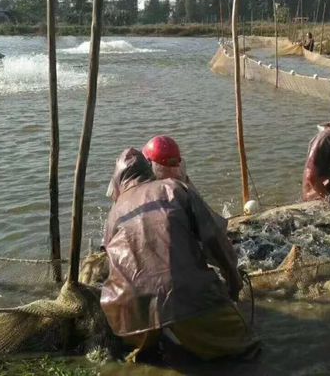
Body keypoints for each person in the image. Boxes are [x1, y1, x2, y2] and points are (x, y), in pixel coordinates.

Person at [101, 148, 259, 361]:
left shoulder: (114, 213)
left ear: (119, 180)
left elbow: (110, 261)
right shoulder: (174, 188)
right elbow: (214, 239)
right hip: (186, 300)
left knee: (152, 358)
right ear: (147, 171)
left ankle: (147, 349)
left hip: (128, 316)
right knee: (247, 351)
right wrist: (233, 280)